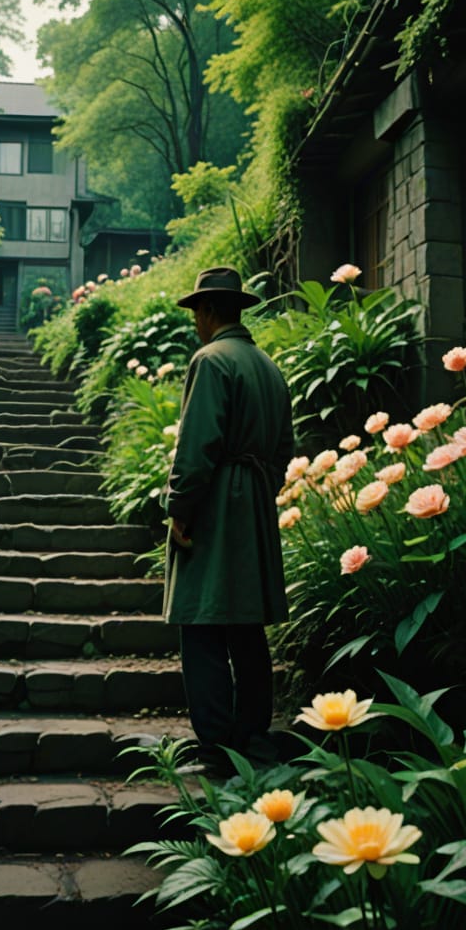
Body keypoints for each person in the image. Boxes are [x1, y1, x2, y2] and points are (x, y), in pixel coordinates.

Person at [163, 266, 293, 772]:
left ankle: (215, 749)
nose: (195, 320)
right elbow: (284, 448)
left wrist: (179, 508)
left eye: (197, 310)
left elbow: (196, 448)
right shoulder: (267, 365)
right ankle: (253, 741)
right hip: (255, 500)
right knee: (246, 627)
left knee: (201, 623)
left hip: (216, 500)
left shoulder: (211, 360)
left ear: (211, 310)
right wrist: (261, 492)